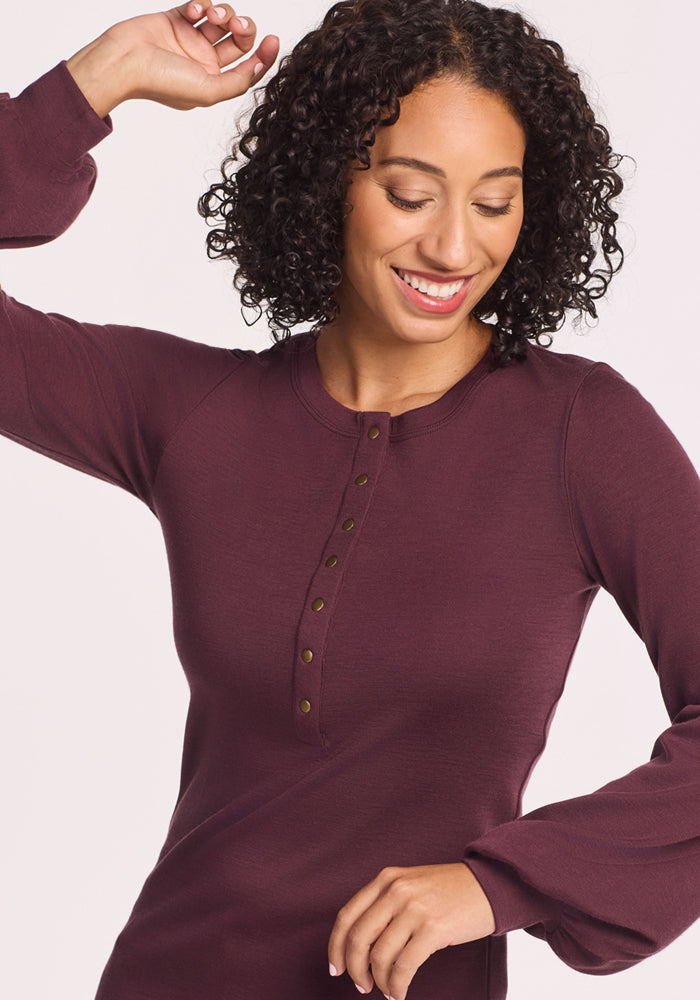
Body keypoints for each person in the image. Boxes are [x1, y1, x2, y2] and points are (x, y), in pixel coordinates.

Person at [1, 1, 698, 998]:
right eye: (410, 193)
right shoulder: (196, 413)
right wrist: (96, 79)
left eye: (494, 203)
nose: (454, 248)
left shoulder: (584, 431)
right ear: (329, 178)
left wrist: (497, 884)